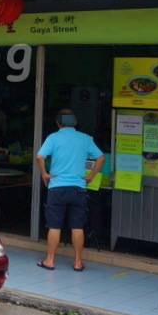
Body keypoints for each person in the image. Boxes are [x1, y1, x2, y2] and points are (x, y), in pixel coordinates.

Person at [35, 108, 105, 272]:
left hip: (57, 187)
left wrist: (44, 174)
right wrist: (91, 176)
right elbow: (101, 157)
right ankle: (78, 262)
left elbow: (39, 157)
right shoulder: (85, 138)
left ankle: (50, 260)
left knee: (54, 225)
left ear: (58, 122)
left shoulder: (53, 137)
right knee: (77, 226)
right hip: (78, 189)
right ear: (74, 122)